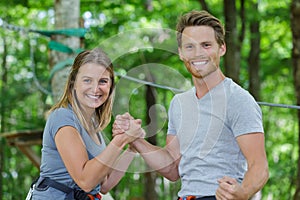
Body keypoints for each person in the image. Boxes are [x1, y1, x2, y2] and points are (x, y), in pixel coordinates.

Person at [113, 10, 269, 200]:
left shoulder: (238, 99)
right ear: (180, 52)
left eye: (206, 45)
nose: (198, 54)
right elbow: (172, 168)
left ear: (222, 48)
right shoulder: (179, 103)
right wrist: (134, 138)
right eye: (189, 46)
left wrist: (243, 192)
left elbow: (259, 166)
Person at [31, 48, 142, 200]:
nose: (95, 89)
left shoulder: (93, 126)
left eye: (103, 81)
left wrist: (131, 146)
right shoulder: (63, 117)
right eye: (87, 80)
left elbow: (104, 185)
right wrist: (120, 139)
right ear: (73, 83)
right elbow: (86, 181)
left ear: (110, 88)